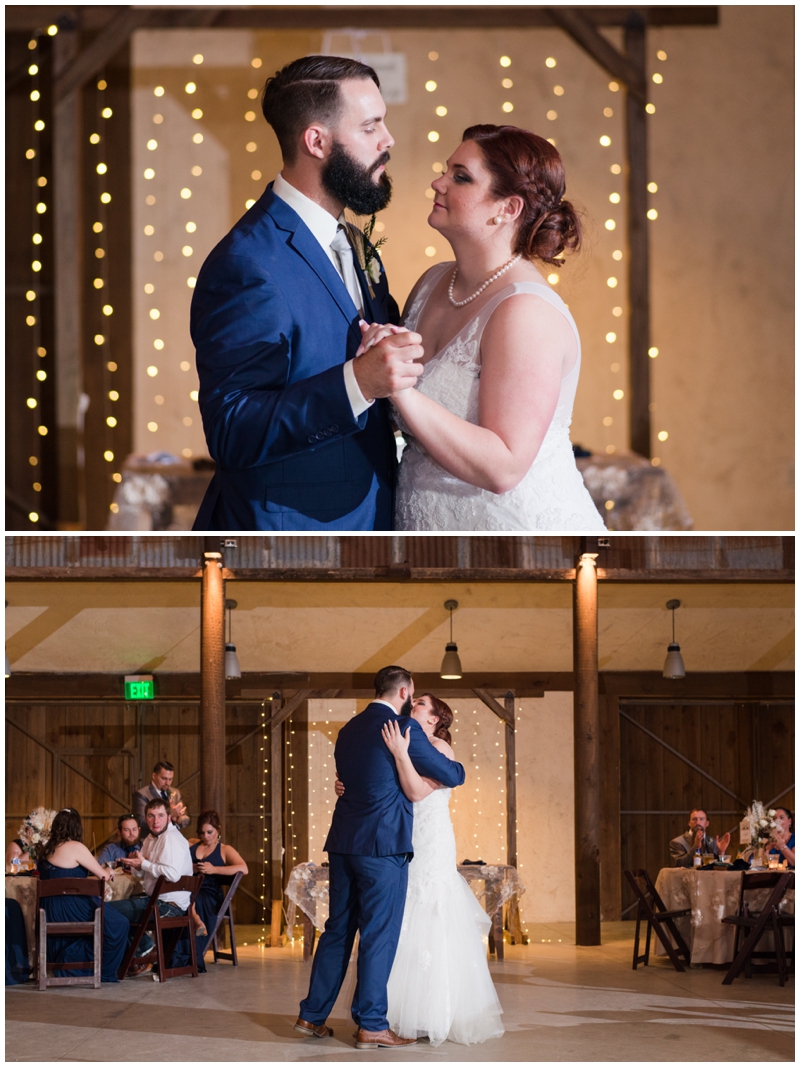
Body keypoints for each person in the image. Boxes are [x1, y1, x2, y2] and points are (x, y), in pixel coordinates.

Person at [191, 55, 424, 531]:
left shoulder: (357, 246)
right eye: (370, 126)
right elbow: (232, 430)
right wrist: (356, 383)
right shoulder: (247, 263)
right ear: (316, 141)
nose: (388, 140)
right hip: (291, 539)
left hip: (372, 523)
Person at [358, 124, 605, 531]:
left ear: (507, 209)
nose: (438, 183)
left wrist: (398, 388)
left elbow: (505, 467)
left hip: (508, 533)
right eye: (446, 171)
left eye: (461, 176)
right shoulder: (433, 282)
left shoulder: (524, 311)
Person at [295, 666, 466, 1050]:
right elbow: (453, 774)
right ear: (404, 691)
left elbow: (350, 780)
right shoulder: (402, 729)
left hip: (342, 844)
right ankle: (372, 1024)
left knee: (337, 930)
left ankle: (311, 1015)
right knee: (378, 935)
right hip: (383, 847)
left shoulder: (348, 729)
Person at [358, 694, 504, 1046]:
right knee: (402, 913)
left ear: (437, 717)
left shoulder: (440, 749)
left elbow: (416, 791)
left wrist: (400, 753)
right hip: (405, 836)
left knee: (432, 910)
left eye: (422, 702)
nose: (414, 703)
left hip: (432, 839)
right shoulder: (411, 741)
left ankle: (433, 1012)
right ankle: (391, 1012)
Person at [37, 808, 130, 983]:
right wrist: (108, 870)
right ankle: (103, 971)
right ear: (77, 827)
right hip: (72, 905)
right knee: (119, 923)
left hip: (50, 908)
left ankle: (70, 962)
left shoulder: (46, 848)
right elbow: (103, 876)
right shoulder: (76, 847)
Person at [110, 797, 194, 977]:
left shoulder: (170, 838)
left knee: (106, 910)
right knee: (113, 908)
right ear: (146, 818)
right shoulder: (150, 837)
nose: (156, 821)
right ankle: (139, 951)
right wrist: (137, 864)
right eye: (151, 816)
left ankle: (144, 947)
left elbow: (172, 874)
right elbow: (143, 874)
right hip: (155, 900)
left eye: (160, 815)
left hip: (169, 906)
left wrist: (145, 864)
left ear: (169, 818)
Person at [189, 810, 248, 969]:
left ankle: (192, 956)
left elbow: (244, 868)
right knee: (178, 898)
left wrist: (214, 869)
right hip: (190, 887)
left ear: (218, 830)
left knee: (193, 899)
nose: (206, 836)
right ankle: (175, 953)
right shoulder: (192, 844)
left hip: (210, 893)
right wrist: (190, 867)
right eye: (202, 832)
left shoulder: (224, 849)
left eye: (210, 832)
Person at [132, 760, 189, 831]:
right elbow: (141, 822)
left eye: (170, 779)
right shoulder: (142, 794)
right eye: (164, 778)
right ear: (154, 776)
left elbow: (187, 819)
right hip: (152, 840)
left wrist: (178, 819)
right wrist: (169, 814)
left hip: (172, 837)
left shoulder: (176, 792)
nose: (167, 783)